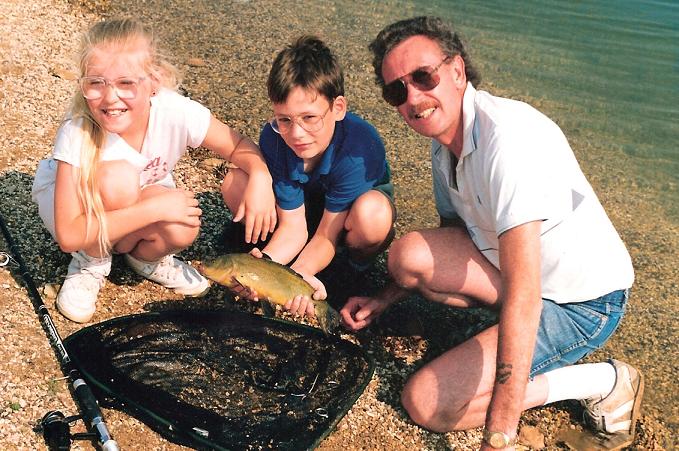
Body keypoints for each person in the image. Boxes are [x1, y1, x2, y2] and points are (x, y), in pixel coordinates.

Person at [340, 16, 642, 450]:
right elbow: (454, 236)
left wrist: (498, 435)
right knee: (408, 258)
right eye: (397, 90)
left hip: (581, 303)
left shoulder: (507, 143)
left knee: (426, 403)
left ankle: (603, 381)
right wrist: (384, 299)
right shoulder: (446, 143)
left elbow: (524, 295)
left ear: (458, 70)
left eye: (424, 77)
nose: (413, 98)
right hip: (523, 279)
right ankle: (497, 346)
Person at [31, 18, 275, 323]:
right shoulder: (78, 131)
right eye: (96, 82)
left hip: (127, 206)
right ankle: (90, 262)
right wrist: (154, 210)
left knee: (184, 223)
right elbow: (69, 234)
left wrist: (261, 177)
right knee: (118, 179)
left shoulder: (175, 111)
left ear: (154, 81)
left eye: (126, 83)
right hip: (75, 214)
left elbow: (239, 146)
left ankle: (143, 258)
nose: (110, 98)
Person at [222, 36, 395, 317]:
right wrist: (263, 267)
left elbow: (327, 234)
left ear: (338, 108)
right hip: (305, 212)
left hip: (346, 219)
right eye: (285, 119)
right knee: (235, 183)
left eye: (310, 118)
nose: (297, 133)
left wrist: (299, 275)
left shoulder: (360, 147)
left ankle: (349, 269)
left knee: (372, 215)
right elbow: (293, 228)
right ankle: (278, 253)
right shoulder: (275, 138)